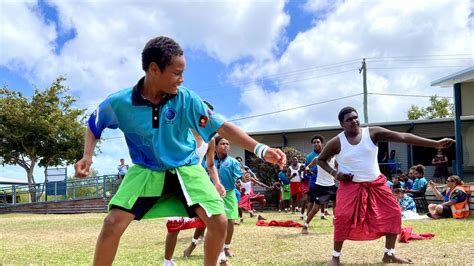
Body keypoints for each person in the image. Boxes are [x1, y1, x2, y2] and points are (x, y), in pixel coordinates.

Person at [74, 36, 286, 266]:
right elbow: (94, 125)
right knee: (112, 223)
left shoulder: (186, 99)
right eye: (176, 73)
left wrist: (260, 149)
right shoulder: (120, 103)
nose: (181, 79)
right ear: (154, 69)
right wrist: (87, 155)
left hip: (185, 168)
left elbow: (221, 125)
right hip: (146, 170)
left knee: (219, 220)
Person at [317, 106, 454, 265]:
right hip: (350, 186)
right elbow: (321, 160)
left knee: (394, 212)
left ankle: (389, 254)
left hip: (376, 184)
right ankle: (335, 257)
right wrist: (335, 174)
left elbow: (402, 137)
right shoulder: (336, 142)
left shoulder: (372, 133)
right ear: (342, 124)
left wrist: (435, 144)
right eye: (349, 119)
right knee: (342, 217)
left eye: (355, 117)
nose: (354, 121)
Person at [302, 136, 337, 234]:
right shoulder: (317, 159)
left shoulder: (335, 160)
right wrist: (308, 171)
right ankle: (305, 225)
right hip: (320, 186)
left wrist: (336, 176)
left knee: (336, 205)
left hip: (332, 185)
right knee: (315, 208)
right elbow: (307, 167)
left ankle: (335, 222)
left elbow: (339, 169)